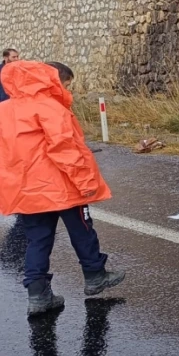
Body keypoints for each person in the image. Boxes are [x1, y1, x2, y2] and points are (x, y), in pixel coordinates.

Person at [0, 61, 125, 316]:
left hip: (27, 191)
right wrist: (87, 184)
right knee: (82, 230)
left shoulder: (4, 110)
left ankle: (37, 294)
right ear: (53, 80)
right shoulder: (50, 108)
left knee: (37, 240)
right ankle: (95, 275)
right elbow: (66, 149)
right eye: (67, 84)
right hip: (62, 186)